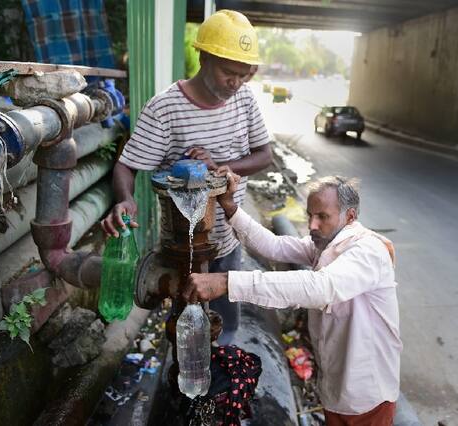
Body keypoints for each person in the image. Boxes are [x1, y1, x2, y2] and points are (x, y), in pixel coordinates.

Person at [100, 10, 272, 345]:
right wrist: (126, 199)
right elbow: (126, 165)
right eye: (229, 73)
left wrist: (221, 164)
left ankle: (222, 364)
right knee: (188, 328)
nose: (236, 83)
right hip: (184, 249)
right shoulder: (165, 110)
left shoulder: (245, 99)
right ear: (204, 57)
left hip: (229, 238)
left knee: (226, 327)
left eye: (244, 75)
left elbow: (264, 156)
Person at [184, 172, 402, 426]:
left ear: (350, 216)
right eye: (310, 215)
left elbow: (322, 287)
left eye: (322, 216)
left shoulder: (368, 250)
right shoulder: (325, 245)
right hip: (336, 387)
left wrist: (227, 282)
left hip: (367, 396)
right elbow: (274, 247)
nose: (312, 225)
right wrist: (230, 207)